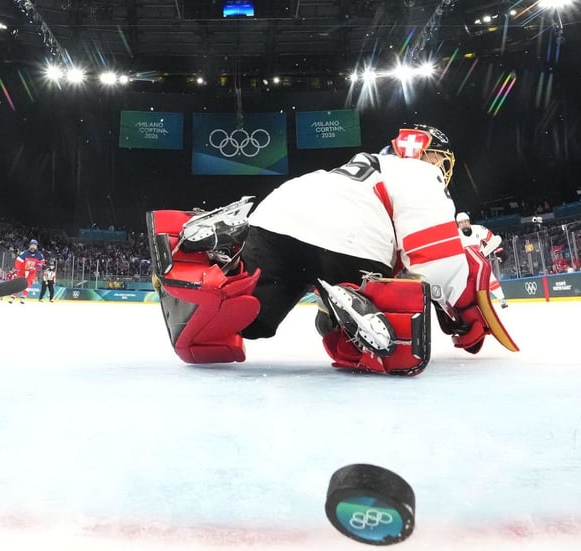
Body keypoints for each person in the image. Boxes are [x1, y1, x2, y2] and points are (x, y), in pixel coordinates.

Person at [147, 124, 518, 375]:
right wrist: (462, 308)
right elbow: (436, 258)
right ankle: (350, 303)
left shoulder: (368, 164)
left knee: (252, 318)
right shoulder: (420, 173)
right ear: (427, 154)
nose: (442, 165)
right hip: (351, 236)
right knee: (376, 333)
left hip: (279, 212)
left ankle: (209, 255)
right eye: (440, 157)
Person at [456, 212, 508, 308]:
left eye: (466, 221)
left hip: (479, 259)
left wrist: (499, 252)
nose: (464, 224)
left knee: (490, 278)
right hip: (465, 262)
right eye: (461, 222)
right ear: (458, 224)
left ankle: (502, 300)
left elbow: (492, 239)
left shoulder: (479, 229)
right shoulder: (455, 234)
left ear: (469, 221)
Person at [8, 239, 45, 303]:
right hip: (22, 271)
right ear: (30, 245)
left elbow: (42, 261)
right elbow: (18, 261)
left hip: (32, 272)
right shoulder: (24, 253)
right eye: (32, 245)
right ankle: (13, 296)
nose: (33, 246)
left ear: (36, 246)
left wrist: (38, 266)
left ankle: (23, 297)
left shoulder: (39, 254)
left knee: (28, 284)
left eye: (34, 245)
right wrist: (19, 268)